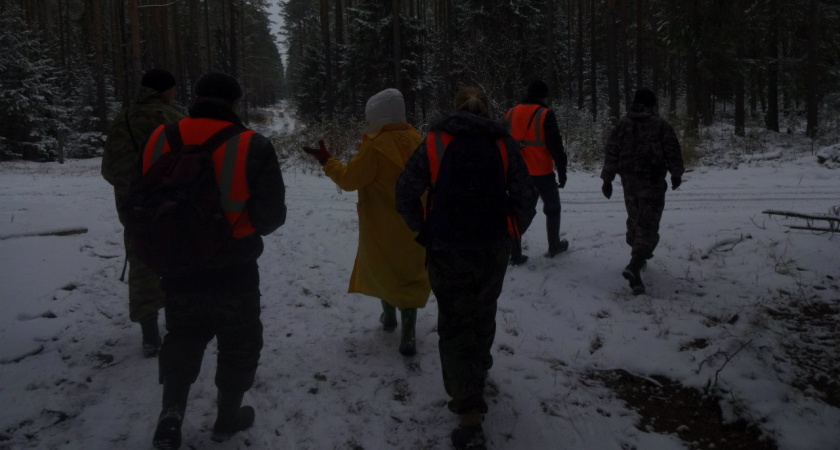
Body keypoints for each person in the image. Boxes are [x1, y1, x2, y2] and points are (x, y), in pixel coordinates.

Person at [145, 72, 287, 449]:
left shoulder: (159, 138)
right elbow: (271, 217)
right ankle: (226, 420)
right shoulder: (252, 144)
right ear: (235, 102)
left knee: (183, 335)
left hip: (178, 263)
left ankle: (171, 413)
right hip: (235, 267)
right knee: (240, 342)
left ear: (196, 97)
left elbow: (139, 198)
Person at [395, 86, 537, 449]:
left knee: (454, 324)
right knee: (483, 312)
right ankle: (479, 371)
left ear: (454, 108)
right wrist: (511, 232)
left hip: (446, 250)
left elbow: (405, 193)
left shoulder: (434, 142)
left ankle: (468, 410)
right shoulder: (503, 144)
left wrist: (424, 230)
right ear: (487, 110)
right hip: (492, 249)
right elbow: (526, 194)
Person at [303, 88, 431, 356]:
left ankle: (389, 318)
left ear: (376, 114)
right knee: (410, 274)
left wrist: (327, 161)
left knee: (384, 269)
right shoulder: (419, 140)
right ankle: (408, 333)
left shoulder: (375, 146)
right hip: (415, 224)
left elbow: (349, 180)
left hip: (382, 227)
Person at [101, 68, 185, 357]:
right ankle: (179, 324)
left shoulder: (123, 118)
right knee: (177, 261)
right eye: (173, 88)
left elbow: (109, 170)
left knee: (141, 263)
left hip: (134, 208)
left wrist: (132, 188)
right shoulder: (174, 119)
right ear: (164, 90)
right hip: (171, 205)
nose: (175, 92)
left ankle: (150, 334)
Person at [600, 88, 684, 295]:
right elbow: (672, 150)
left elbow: (612, 152)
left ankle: (638, 253)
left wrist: (607, 179)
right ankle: (635, 265)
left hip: (629, 183)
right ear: (652, 105)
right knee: (649, 224)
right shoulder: (660, 125)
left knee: (635, 218)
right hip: (652, 182)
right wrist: (676, 173)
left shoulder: (622, 125)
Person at [504, 80, 569, 265]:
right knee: (552, 208)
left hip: (516, 173)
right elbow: (556, 146)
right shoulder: (545, 114)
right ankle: (554, 246)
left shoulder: (511, 112)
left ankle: (515, 254)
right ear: (543, 96)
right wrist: (562, 170)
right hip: (541, 171)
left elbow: (504, 143)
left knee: (517, 212)